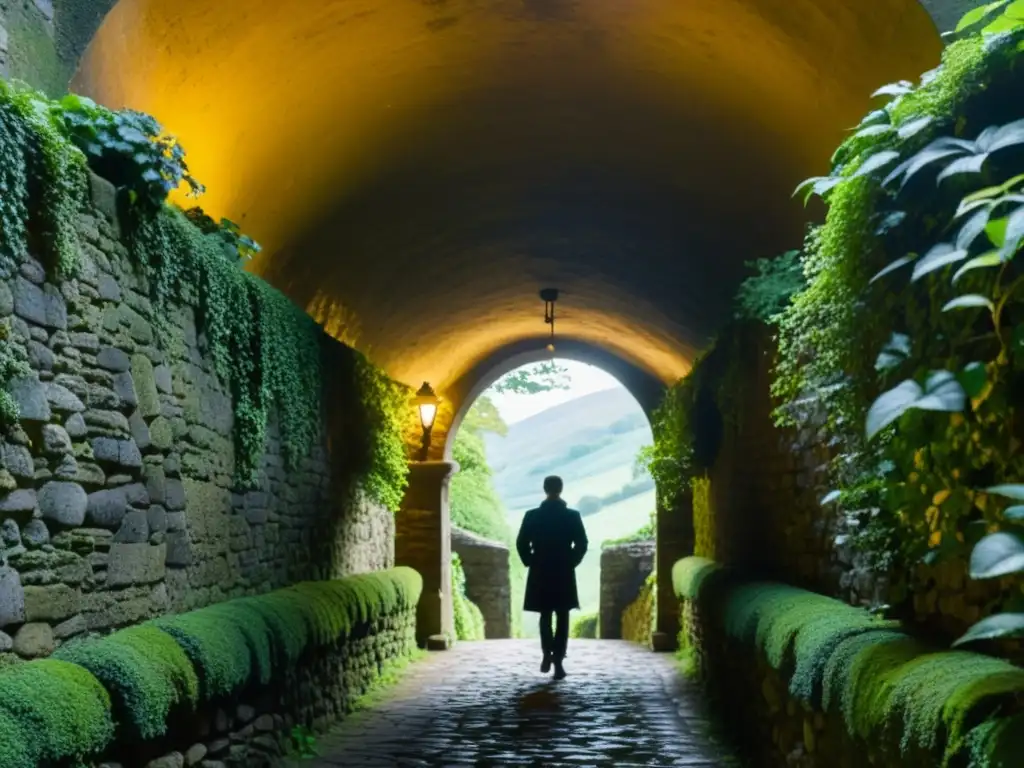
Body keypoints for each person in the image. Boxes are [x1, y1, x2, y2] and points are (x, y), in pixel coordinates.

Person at [515, 475, 588, 680]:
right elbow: (582, 543)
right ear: (561, 489)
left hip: (540, 570)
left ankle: (547, 652)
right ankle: (558, 661)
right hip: (563, 570)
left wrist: (531, 561)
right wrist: (571, 561)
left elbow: (521, 543)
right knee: (563, 616)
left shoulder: (532, 516)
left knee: (545, 615)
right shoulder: (572, 516)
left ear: (545, 489)